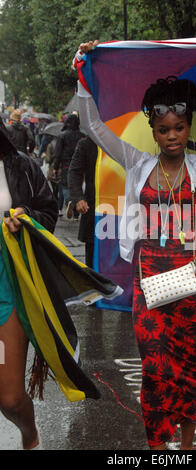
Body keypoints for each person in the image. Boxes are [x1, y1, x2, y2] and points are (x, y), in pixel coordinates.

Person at [75, 32, 196, 450]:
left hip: (190, 283)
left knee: (185, 368)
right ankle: (158, 448)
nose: (173, 136)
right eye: (164, 130)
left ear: (186, 126)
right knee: (155, 368)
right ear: (154, 132)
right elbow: (91, 125)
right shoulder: (137, 164)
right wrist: (83, 70)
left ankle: (188, 444)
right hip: (148, 282)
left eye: (179, 127)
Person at [0, 117, 58, 450]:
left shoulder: (20, 167)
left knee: (9, 398)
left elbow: (48, 212)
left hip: (9, 285)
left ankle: (29, 434)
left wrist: (25, 216)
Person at [68, 136, 98, 267]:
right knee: (93, 257)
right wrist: (78, 198)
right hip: (94, 207)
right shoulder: (87, 143)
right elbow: (74, 172)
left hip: (124, 209)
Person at [53, 113, 84, 220]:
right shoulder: (82, 136)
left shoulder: (62, 135)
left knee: (65, 186)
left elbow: (57, 153)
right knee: (77, 186)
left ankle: (69, 201)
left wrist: (55, 167)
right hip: (79, 165)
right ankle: (76, 215)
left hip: (66, 165)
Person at [45, 136, 64, 216]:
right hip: (63, 169)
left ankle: (56, 208)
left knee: (55, 191)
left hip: (53, 170)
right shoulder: (65, 144)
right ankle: (60, 208)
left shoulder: (50, 145)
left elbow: (48, 160)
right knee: (61, 190)